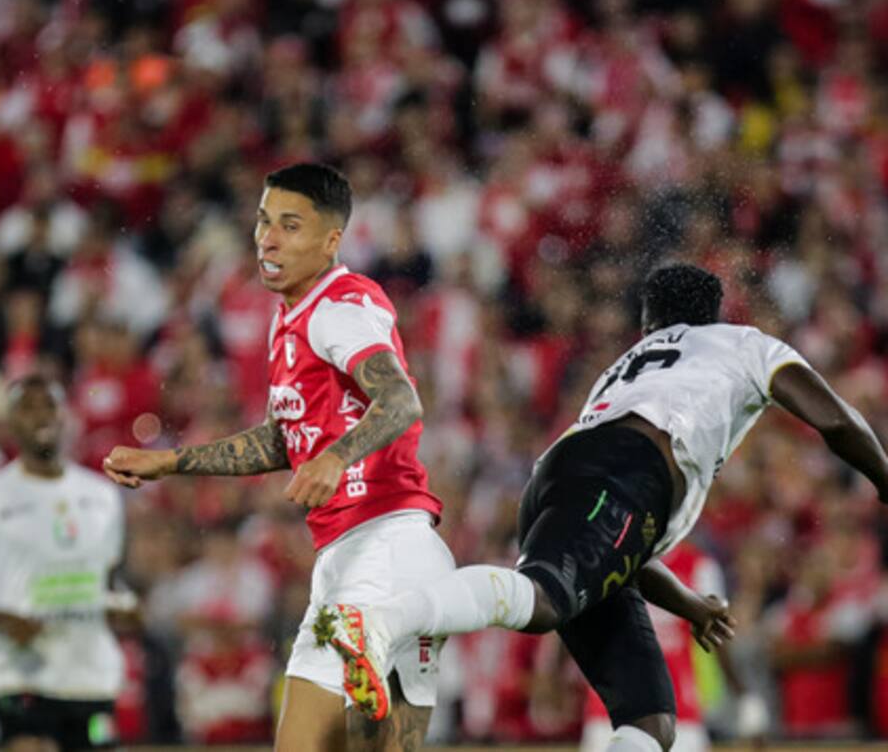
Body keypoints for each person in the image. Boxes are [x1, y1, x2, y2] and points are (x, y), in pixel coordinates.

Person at [315, 263, 888, 752]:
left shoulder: (625, 367)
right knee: (542, 601)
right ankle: (385, 621)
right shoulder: (742, 342)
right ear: (715, 315)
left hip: (566, 478)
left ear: (647, 324)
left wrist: (690, 606)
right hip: (625, 470)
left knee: (649, 718)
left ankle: (389, 621)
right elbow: (838, 420)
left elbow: (618, 542)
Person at [104, 163, 453, 752]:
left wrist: (333, 459)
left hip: (385, 544)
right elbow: (280, 440)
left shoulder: (339, 307)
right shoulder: (289, 318)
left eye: (291, 226)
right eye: (264, 221)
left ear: (330, 240)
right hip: (346, 553)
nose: (268, 238)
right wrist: (171, 463)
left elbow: (400, 398)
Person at [0, 375, 129, 752]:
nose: (40, 416)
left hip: (88, 676)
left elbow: (109, 586)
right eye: (27, 408)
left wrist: (127, 610)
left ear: (64, 417)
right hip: (21, 676)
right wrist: (6, 621)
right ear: (10, 424)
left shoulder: (103, 497)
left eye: (49, 405)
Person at [578, 540, 769, 752]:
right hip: (607, 712)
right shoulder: (605, 556)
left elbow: (717, 638)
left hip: (678, 713)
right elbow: (575, 611)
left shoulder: (699, 566)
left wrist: (744, 697)